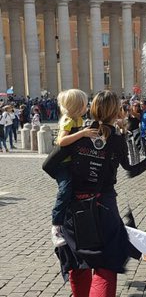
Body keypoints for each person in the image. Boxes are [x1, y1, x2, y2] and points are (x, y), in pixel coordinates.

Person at [43, 91, 146, 297]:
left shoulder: (79, 133)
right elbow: (130, 170)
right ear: (116, 110)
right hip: (103, 205)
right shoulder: (116, 139)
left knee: (78, 258)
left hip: (75, 206)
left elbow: (48, 165)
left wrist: (68, 182)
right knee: (105, 263)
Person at [50, 89, 91, 246]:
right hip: (63, 164)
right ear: (76, 106)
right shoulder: (68, 120)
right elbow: (62, 141)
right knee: (65, 190)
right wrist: (82, 134)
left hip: (73, 163)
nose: (87, 107)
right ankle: (56, 226)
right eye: (84, 104)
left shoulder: (78, 119)